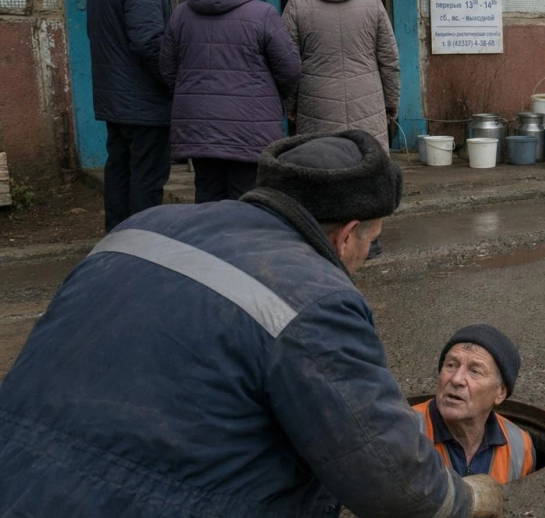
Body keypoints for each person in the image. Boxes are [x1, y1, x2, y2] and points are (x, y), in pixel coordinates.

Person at [0, 130, 504, 518]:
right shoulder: (315, 298)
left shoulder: (141, 227)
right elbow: (393, 483)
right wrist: (465, 499)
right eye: (371, 241)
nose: (364, 256)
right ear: (348, 234)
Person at [284, 0, 398, 258]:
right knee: (366, 168)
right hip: (368, 103)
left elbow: (288, 65)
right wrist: (390, 104)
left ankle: (323, 241)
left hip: (315, 103)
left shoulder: (297, 4)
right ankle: (368, 242)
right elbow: (389, 60)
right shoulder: (371, 2)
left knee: (321, 171)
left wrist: (290, 106)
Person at [160, 0, 301, 202]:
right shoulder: (263, 14)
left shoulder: (181, 13)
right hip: (250, 127)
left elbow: (168, 70)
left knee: (207, 197)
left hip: (197, 126)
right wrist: (269, 96)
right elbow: (290, 69)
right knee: (246, 200)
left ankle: (208, 244)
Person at [87, 0, 173, 232]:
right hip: (144, 101)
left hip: (115, 99)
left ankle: (116, 243)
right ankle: (143, 246)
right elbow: (149, 42)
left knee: (119, 174)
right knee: (147, 179)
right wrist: (172, 82)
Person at [413, 324, 535, 483]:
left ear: (500, 392)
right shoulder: (402, 430)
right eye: (451, 365)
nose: (456, 379)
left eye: (474, 371)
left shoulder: (519, 445)